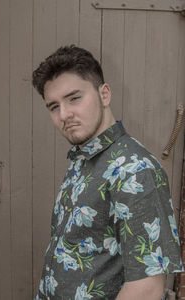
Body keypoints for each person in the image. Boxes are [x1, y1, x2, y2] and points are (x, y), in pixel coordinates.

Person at [32, 45, 184, 300]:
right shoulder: (84, 157)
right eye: (53, 106)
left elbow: (145, 290)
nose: (64, 115)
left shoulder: (135, 169)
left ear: (104, 94)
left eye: (74, 98)